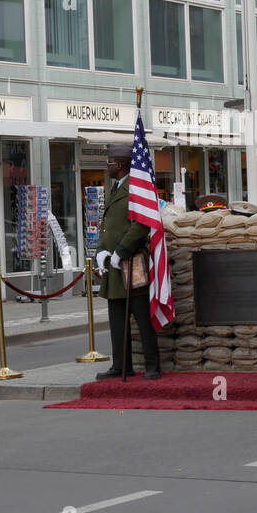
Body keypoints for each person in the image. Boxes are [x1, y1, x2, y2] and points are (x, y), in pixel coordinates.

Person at [93, 143, 160, 381]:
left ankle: (152, 365)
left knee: (142, 318)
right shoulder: (116, 187)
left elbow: (141, 223)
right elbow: (108, 224)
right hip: (113, 264)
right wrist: (101, 251)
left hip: (131, 262)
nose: (107, 166)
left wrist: (121, 250)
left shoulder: (135, 188)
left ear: (120, 164)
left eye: (109, 162)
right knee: (117, 320)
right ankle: (121, 365)